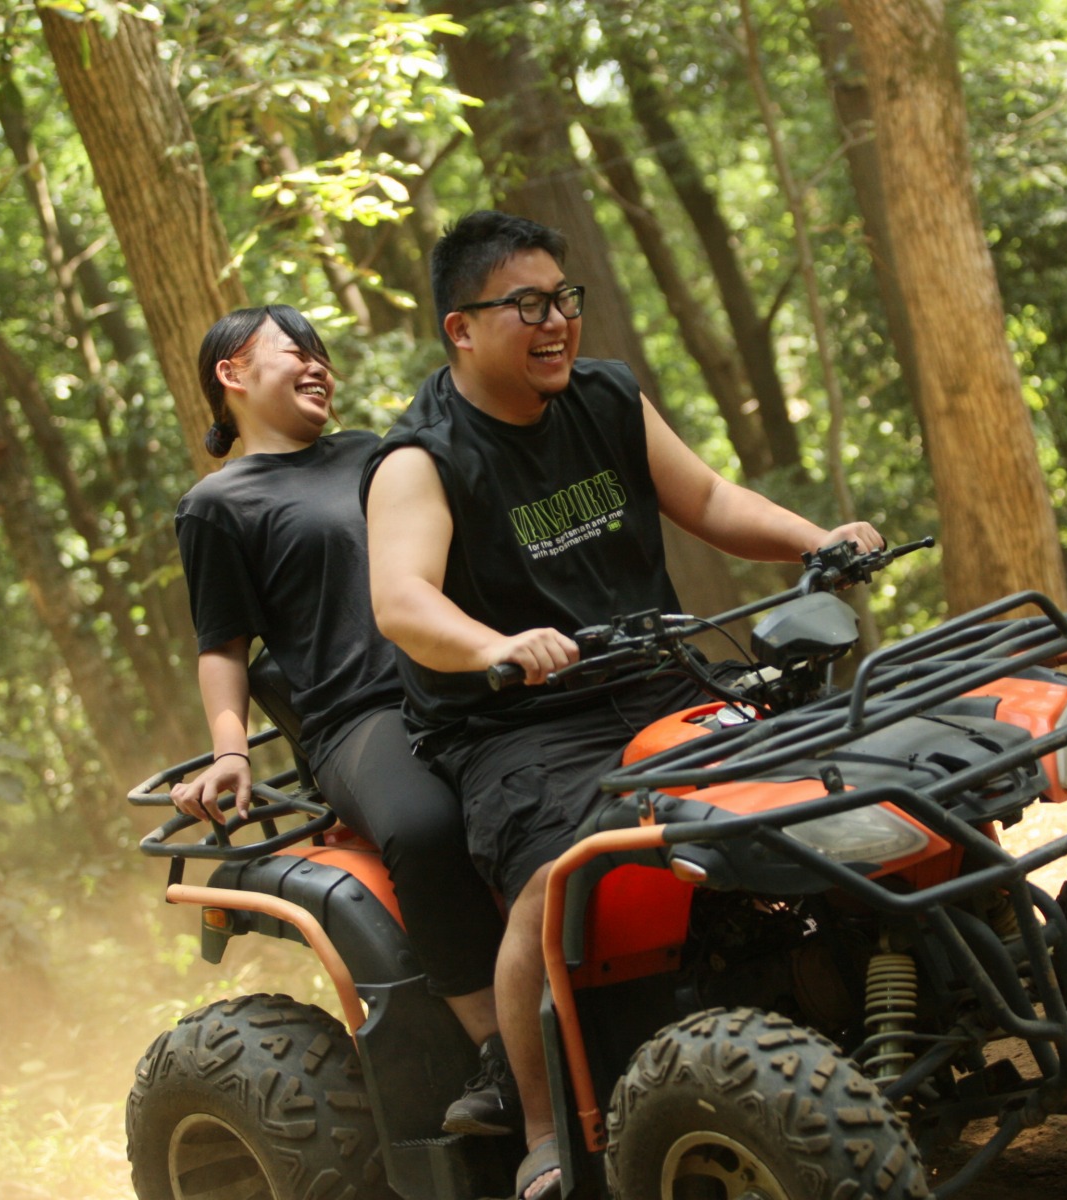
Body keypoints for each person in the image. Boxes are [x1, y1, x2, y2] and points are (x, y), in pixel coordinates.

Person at [362, 212, 884, 1200]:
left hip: (659, 680)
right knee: (551, 885)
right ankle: (545, 1128)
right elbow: (402, 600)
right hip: (520, 724)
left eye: (564, 298)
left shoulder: (604, 396)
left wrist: (815, 541)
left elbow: (710, 500)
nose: (557, 321)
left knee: (827, 781)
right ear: (460, 328)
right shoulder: (419, 460)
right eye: (527, 305)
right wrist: (495, 648)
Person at [169, 304, 517, 1136]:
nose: (318, 365)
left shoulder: (376, 454)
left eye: (322, 353)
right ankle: (503, 1056)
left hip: (468, 680)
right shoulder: (218, 504)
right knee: (426, 827)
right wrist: (229, 751)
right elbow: (223, 646)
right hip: (358, 716)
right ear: (232, 374)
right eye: (296, 351)